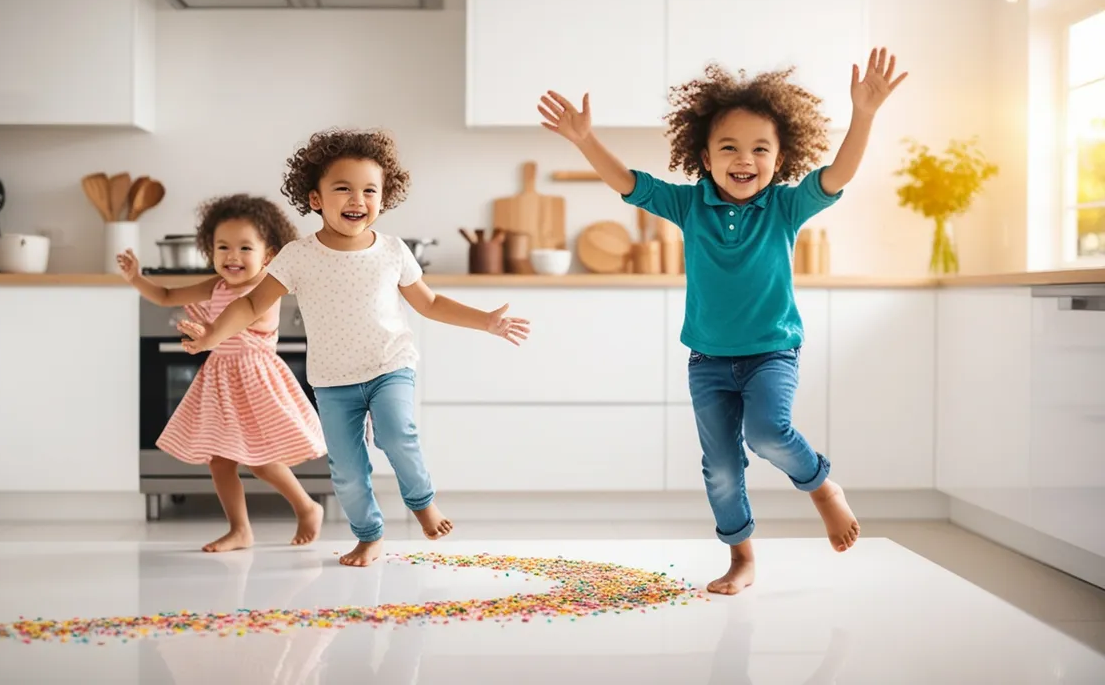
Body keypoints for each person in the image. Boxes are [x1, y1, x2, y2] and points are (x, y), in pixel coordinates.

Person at [538, 47, 908, 594]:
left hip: (771, 352)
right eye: (729, 147)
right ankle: (741, 558)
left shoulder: (786, 207)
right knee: (720, 467)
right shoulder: (689, 206)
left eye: (760, 148)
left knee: (767, 432)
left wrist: (865, 115)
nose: (745, 158)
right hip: (708, 361)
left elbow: (838, 173)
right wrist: (585, 140)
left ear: (779, 160)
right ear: (705, 157)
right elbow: (629, 183)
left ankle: (823, 488)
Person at [178, 128, 531, 567]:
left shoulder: (393, 252)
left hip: (390, 366)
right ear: (315, 199)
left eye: (369, 190)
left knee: (398, 432)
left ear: (384, 198)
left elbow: (431, 303)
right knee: (346, 472)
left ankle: (421, 503)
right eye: (342, 188)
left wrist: (486, 322)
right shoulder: (297, 256)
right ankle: (368, 536)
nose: (357, 199)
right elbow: (251, 302)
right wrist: (212, 335)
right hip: (333, 381)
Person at [117, 193, 327, 552]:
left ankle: (307, 506)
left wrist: (209, 334)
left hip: (256, 380)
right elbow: (167, 295)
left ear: (269, 255)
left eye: (245, 248)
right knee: (220, 461)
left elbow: (237, 322)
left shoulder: (265, 289)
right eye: (223, 247)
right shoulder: (215, 286)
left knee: (261, 461)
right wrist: (136, 278)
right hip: (221, 382)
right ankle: (240, 529)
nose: (232, 256)